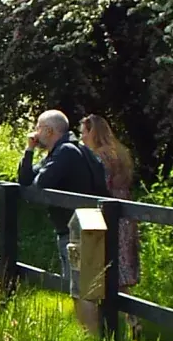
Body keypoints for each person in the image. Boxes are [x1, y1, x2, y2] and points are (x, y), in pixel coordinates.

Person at [17, 109, 106, 291]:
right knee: (78, 289)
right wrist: (29, 149)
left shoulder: (66, 151)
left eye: (38, 128)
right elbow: (25, 179)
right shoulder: (59, 151)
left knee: (82, 291)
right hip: (72, 231)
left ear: (49, 131)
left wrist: (41, 174)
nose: (35, 132)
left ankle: (91, 321)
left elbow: (39, 183)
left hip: (78, 233)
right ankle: (88, 320)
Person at [80, 114, 141, 288]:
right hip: (125, 208)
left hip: (109, 209)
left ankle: (112, 312)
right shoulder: (119, 153)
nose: (82, 137)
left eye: (84, 132)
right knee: (123, 259)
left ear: (93, 133)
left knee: (110, 259)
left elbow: (101, 184)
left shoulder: (100, 157)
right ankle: (129, 314)